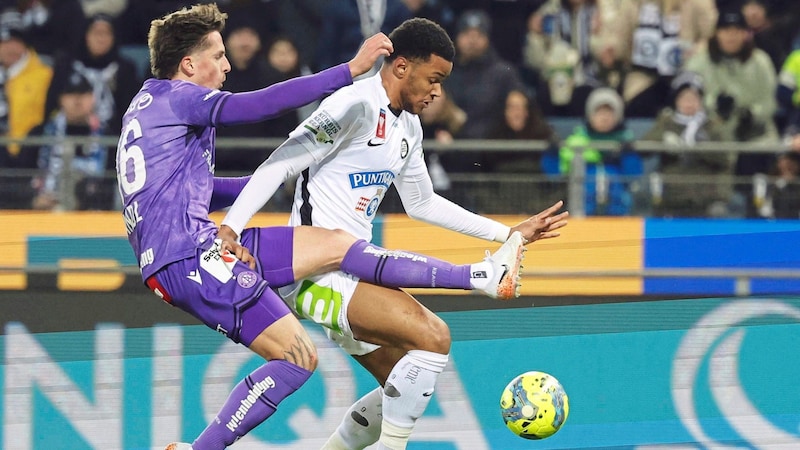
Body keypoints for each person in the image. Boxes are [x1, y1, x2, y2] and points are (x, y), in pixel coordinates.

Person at [117, 5, 543, 450]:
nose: (227, 65)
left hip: (184, 253)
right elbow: (257, 105)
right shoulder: (183, 99)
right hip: (192, 256)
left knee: (389, 353)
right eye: (218, 55)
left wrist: (281, 174)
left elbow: (188, 191)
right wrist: (349, 69)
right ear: (189, 64)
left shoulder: (147, 107)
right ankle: (480, 276)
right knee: (301, 356)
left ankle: (482, 276)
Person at [218, 17, 569, 450]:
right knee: (434, 338)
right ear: (401, 67)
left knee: (405, 379)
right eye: (433, 79)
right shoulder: (353, 105)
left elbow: (423, 203)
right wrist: (231, 226)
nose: (437, 92)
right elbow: (281, 162)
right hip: (314, 272)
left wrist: (506, 234)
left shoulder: (409, 127)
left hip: (351, 270)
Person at [542, 87, 643, 215]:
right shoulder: (576, 143)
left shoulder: (625, 145)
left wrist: (628, 155)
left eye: (609, 112)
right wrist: (552, 154)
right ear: (590, 115)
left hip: (618, 217)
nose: (605, 118)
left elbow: (633, 178)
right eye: (599, 112)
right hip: (581, 215)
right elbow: (556, 175)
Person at [642, 71, 731, 217]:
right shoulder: (666, 122)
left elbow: (725, 158)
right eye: (684, 98)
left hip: (706, 196)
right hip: (671, 195)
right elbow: (644, 148)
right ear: (676, 101)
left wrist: (700, 147)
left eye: (694, 98)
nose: (689, 103)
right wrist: (663, 140)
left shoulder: (711, 125)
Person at [27, 70, 114, 211]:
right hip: (43, 213)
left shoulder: (109, 136)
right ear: (61, 99)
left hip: (94, 214)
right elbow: (18, 176)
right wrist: (33, 200)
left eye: (83, 94)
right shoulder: (40, 133)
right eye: (71, 94)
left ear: (93, 98)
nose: (77, 100)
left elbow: (113, 183)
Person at [45, 13, 141, 134]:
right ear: (86, 35)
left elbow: (132, 113)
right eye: (96, 33)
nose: (101, 38)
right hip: (66, 132)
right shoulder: (65, 65)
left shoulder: (126, 69)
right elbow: (51, 105)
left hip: (113, 138)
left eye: (106, 33)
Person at [0, 22, 53, 209]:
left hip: (31, 155)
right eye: (4, 42)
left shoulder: (45, 75)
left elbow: (50, 118)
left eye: (15, 41)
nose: (10, 48)